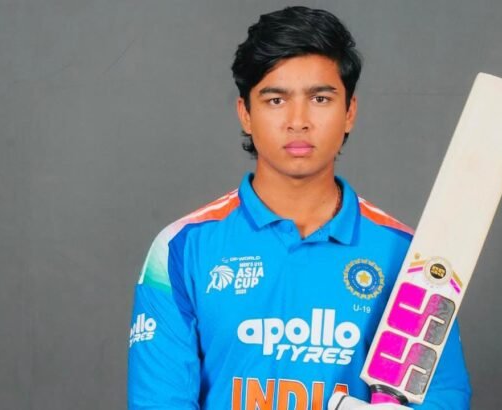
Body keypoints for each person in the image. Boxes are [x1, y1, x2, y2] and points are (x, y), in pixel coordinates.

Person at [128, 6, 471, 409]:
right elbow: (159, 401)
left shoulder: (409, 256)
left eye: (320, 98)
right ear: (245, 114)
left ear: (349, 112)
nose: (298, 121)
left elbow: (440, 397)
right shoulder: (182, 249)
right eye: (275, 99)